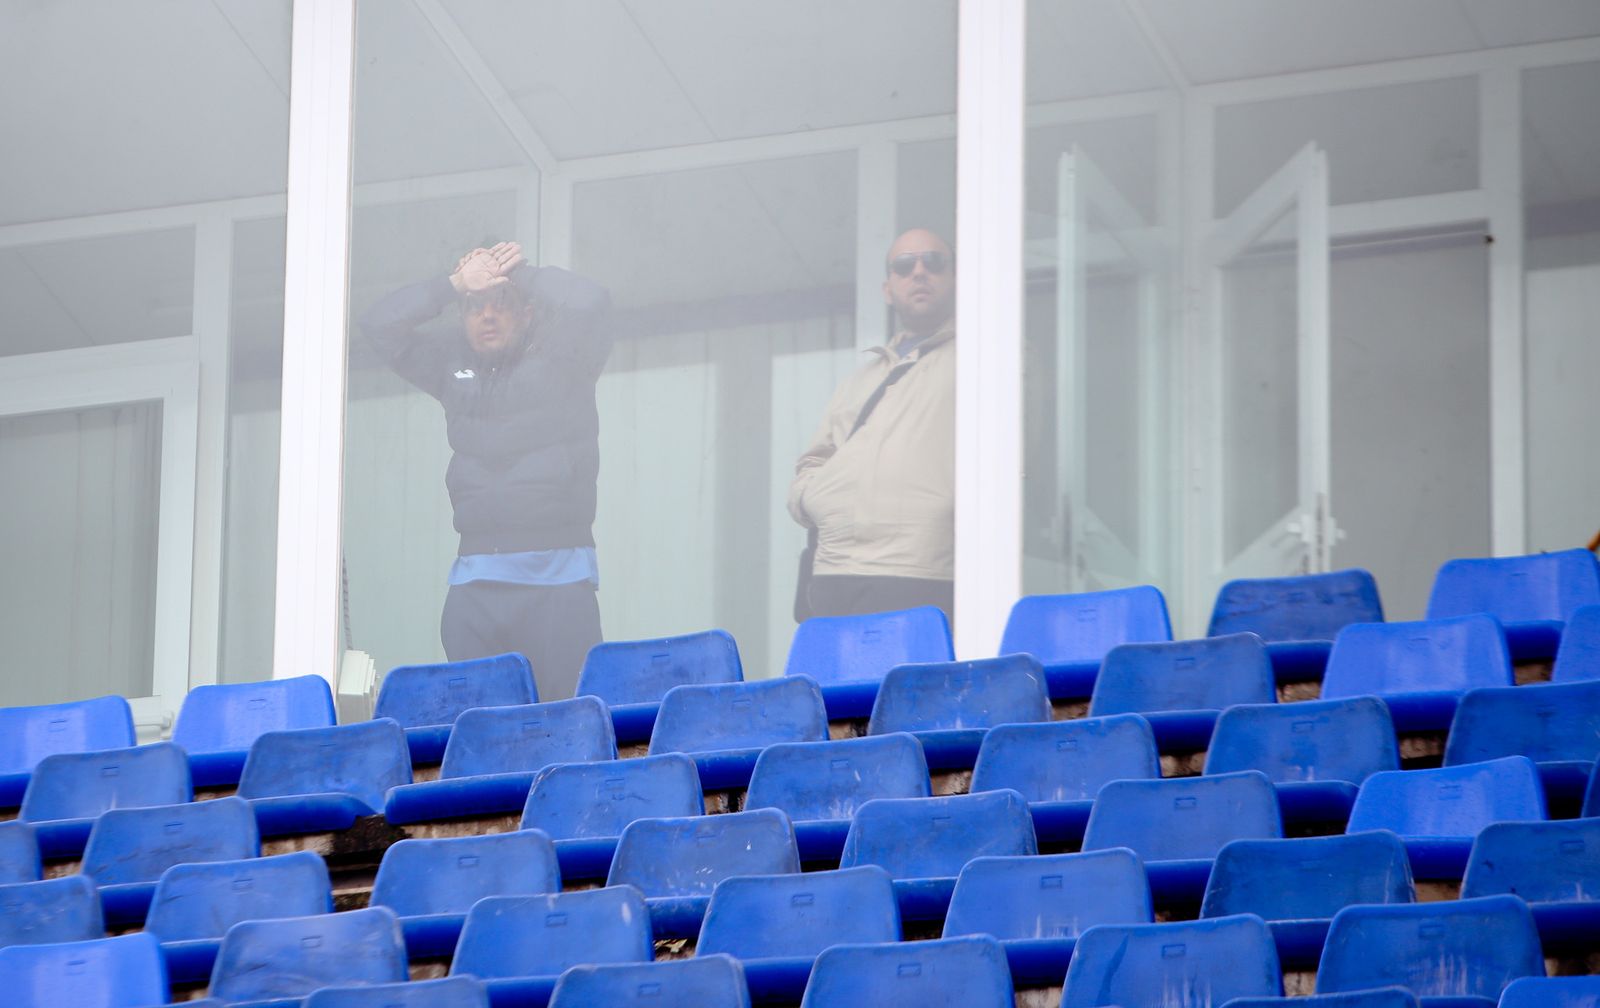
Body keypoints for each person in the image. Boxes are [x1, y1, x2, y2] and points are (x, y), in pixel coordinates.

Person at [361, 242, 613, 700]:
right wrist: (454, 283)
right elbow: (379, 325)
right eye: (475, 306)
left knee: (565, 722)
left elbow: (592, 302)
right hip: (475, 585)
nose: (488, 316)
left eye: (501, 303)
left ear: (527, 313)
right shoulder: (451, 365)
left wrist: (516, 273)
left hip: (557, 581)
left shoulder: (566, 359)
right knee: (482, 726)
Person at [788, 228, 956, 620]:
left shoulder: (983, 356)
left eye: (933, 262)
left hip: (921, 568)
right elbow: (814, 459)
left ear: (955, 278)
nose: (919, 272)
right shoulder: (861, 378)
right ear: (887, 289)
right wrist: (812, 499)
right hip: (834, 569)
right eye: (904, 266)